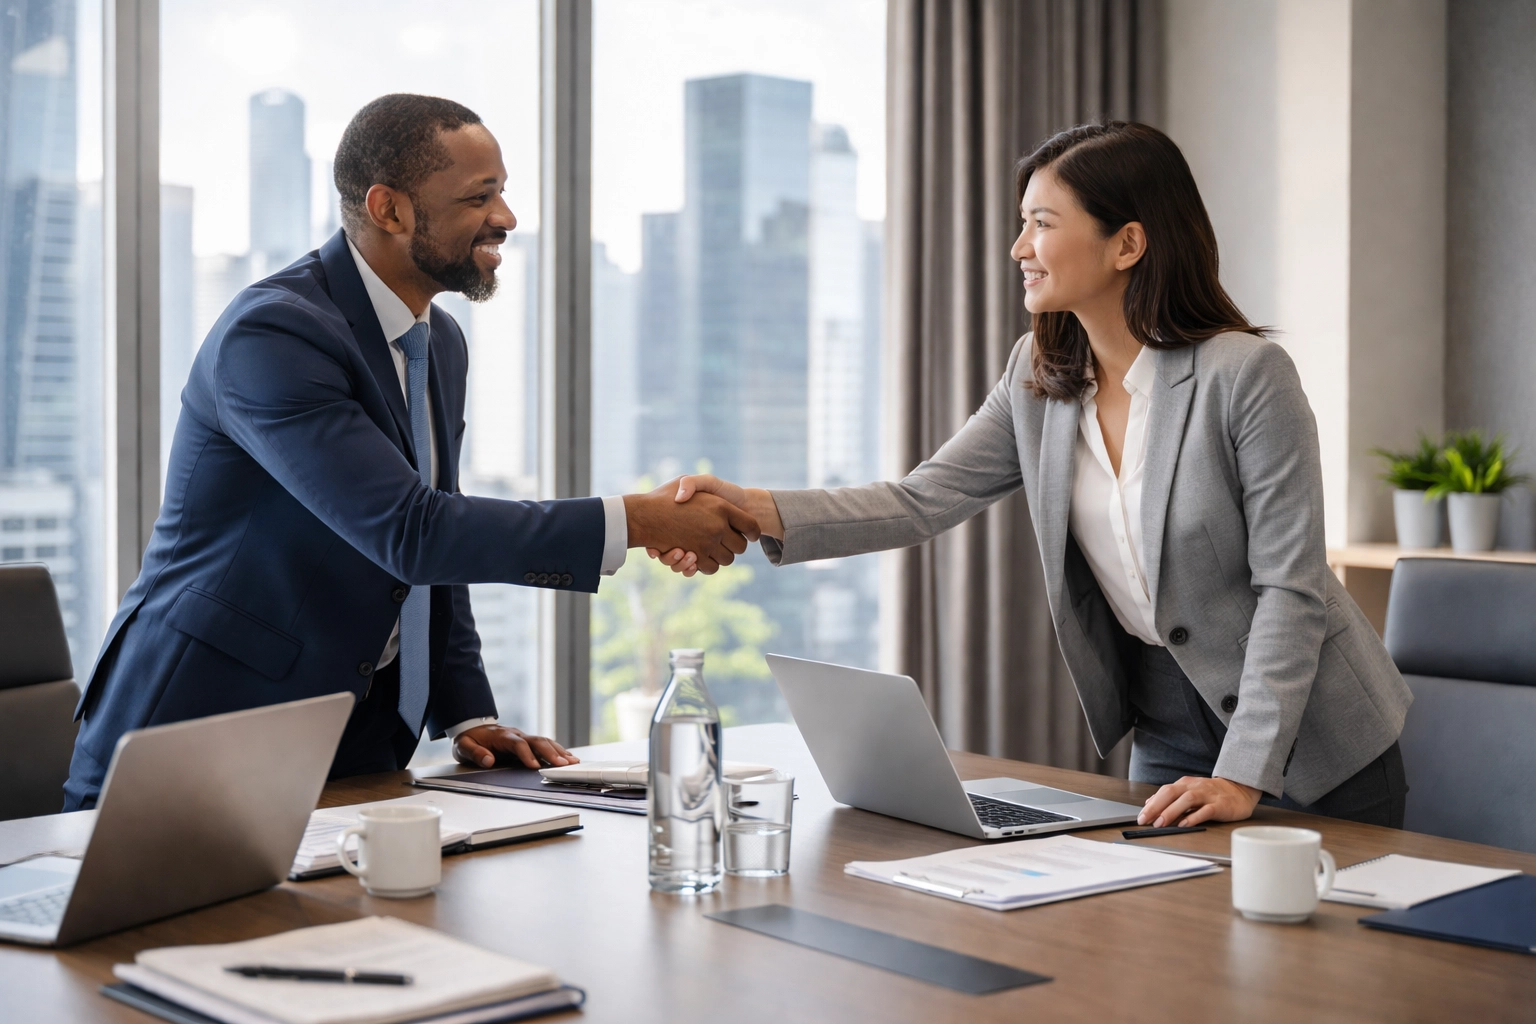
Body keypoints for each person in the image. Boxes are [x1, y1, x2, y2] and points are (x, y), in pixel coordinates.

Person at [654, 121, 1412, 829]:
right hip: (1169, 729)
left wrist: (1245, 772)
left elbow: (1291, 589)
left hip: (1313, 739)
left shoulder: (1245, 377)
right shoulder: (1039, 376)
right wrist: (752, 507)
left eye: (1043, 224)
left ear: (1128, 244)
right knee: (1171, 953)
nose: (1020, 246)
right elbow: (924, 499)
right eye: (1023, 223)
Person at [63, 94, 758, 811]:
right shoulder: (273, 335)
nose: (506, 218)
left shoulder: (439, 342)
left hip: (354, 745)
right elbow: (410, 531)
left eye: (504, 192)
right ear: (389, 209)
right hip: (194, 737)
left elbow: (437, 531)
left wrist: (469, 713)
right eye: (477, 197)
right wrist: (637, 521)